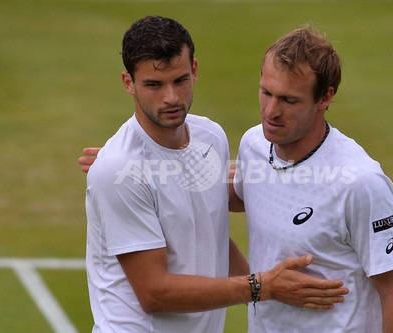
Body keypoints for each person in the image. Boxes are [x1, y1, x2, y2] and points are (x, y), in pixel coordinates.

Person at [84, 16, 348, 333]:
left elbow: (210, 235)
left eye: (180, 80)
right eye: (154, 85)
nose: (171, 97)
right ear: (129, 83)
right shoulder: (118, 170)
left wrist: (278, 288)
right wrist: (263, 286)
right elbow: (154, 293)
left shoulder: (210, 137)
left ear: (194, 70)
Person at [230, 27, 393, 332]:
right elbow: (240, 196)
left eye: (289, 100)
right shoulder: (254, 145)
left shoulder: (359, 182)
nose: (271, 111)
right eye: (266, 92)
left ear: (325, 97)